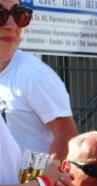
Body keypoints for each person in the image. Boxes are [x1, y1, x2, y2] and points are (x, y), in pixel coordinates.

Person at [0, 1, 78, 158]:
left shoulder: (33, 74)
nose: (12, 25)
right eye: (0, 14)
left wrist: (38, 175)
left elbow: (66, 134)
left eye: (19, 14)